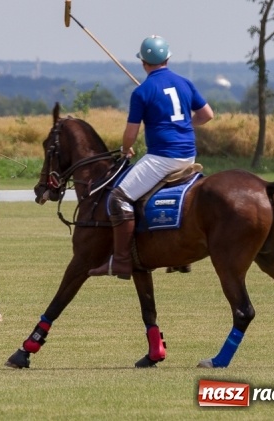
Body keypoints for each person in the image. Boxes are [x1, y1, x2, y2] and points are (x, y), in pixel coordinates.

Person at [89, 35, 214, 279]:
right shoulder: (185, 82)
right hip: (188, 156)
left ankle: (121, 261)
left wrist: (126, 149)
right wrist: (184, 125)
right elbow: (207, 115)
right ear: (167, 58)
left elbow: (131, 133)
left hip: (162, 157)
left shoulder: (143, 91)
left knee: (118, 198)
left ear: (144, 63)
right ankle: (180, 255)